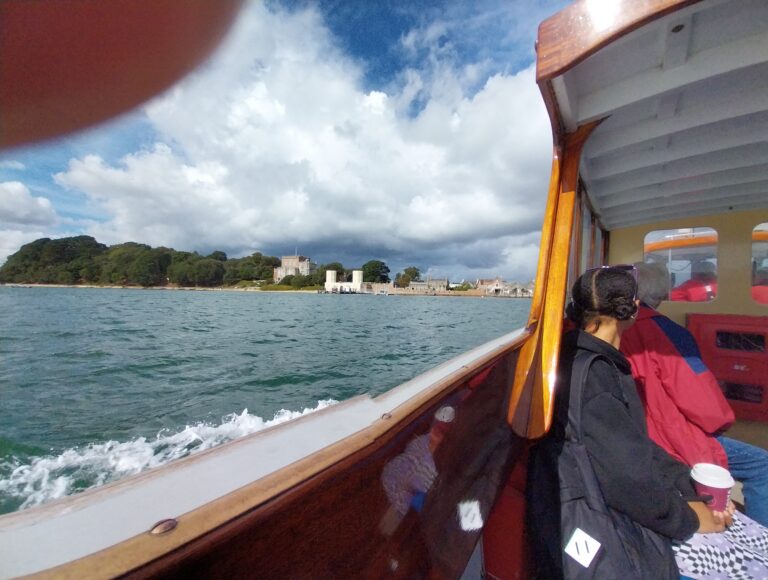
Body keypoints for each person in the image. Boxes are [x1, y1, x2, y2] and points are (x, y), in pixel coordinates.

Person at [528, 266, 768, 579]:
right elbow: (627, 479)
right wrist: (690, 518)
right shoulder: (597, 376)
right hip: (609, 524)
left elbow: (637, 450)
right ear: (634, 308)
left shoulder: (585, 356)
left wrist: (692, 489)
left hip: (622, 499)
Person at [622, 261, 768, 526]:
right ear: (660, 296)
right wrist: (722, 422)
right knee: (763, 465)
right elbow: (704, 405)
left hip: (630, 431)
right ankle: (760, 541)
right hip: (667, 437)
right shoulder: (667, 332)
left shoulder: (609, 327)